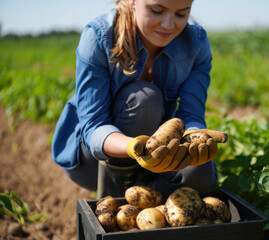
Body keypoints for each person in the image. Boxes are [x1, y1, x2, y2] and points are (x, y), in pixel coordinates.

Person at [51, 0, 224, 198]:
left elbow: (191, 115)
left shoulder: (196, 42)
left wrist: (194, 141)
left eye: (181, 14)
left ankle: (149, 203)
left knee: (200, 172)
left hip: (158, 156)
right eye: (158, 11)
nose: (168, 25)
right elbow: (93, 127)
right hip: (95, 162)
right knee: (146, 101)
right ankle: (114, 200)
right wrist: (134, 148)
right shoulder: (99, 36)